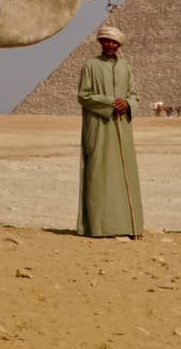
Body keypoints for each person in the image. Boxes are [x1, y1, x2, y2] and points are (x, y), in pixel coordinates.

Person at [76, 25, 143, 238]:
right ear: (100, 42)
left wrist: (127, 103)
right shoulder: (91, 66)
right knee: (99, 175)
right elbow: (83, 96)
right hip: (100, 127)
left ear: (119, 44)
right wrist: (110, 103)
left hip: (122, 128)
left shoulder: (126, 67)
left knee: (125, 177)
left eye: (114, 42)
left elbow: (135, 94)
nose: (109, 45)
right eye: (106, 41)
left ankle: (128, 226)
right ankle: (99, 228)